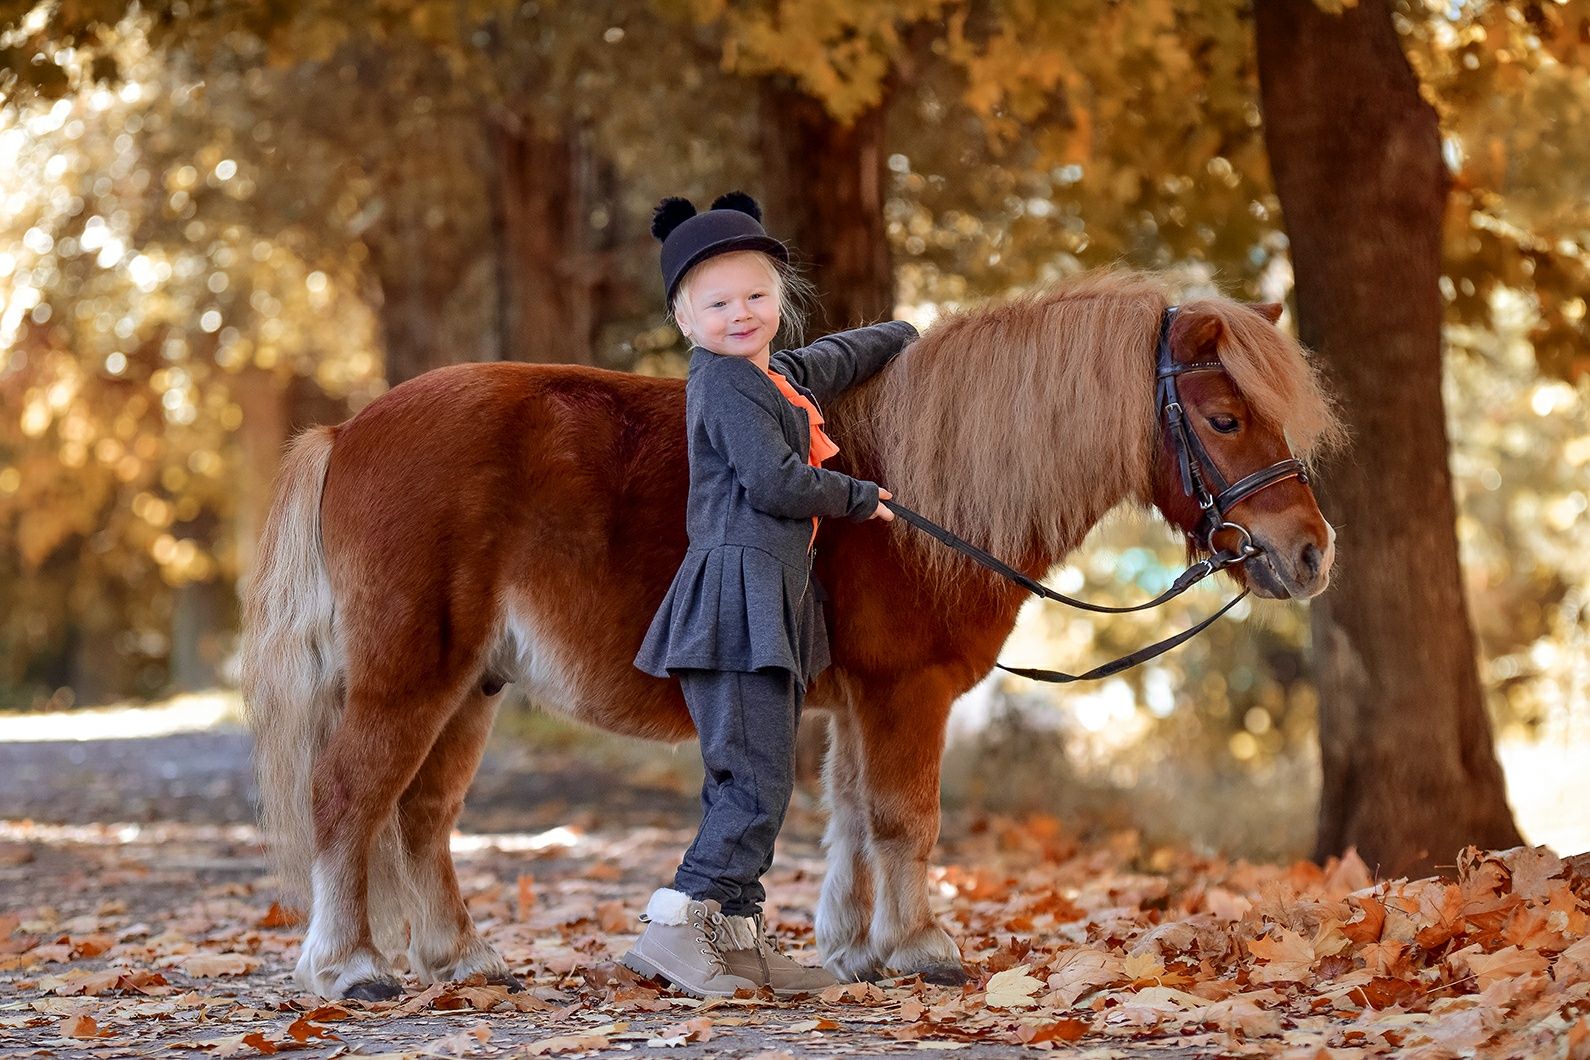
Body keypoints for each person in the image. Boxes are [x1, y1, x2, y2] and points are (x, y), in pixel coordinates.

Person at [627, 192, 916, 998]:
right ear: (687, 321)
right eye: (718, 304)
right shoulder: (722, 384)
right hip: (737, 600)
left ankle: (738, 937)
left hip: (771, 601)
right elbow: (773, 480)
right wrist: (860, 496)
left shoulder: (773, 376)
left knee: (755, 778)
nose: (741, 313)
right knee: (752, 784)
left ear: (779, 300)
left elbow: (831, 360)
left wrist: (908, 335)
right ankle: (675, 928)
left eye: (757, 296)